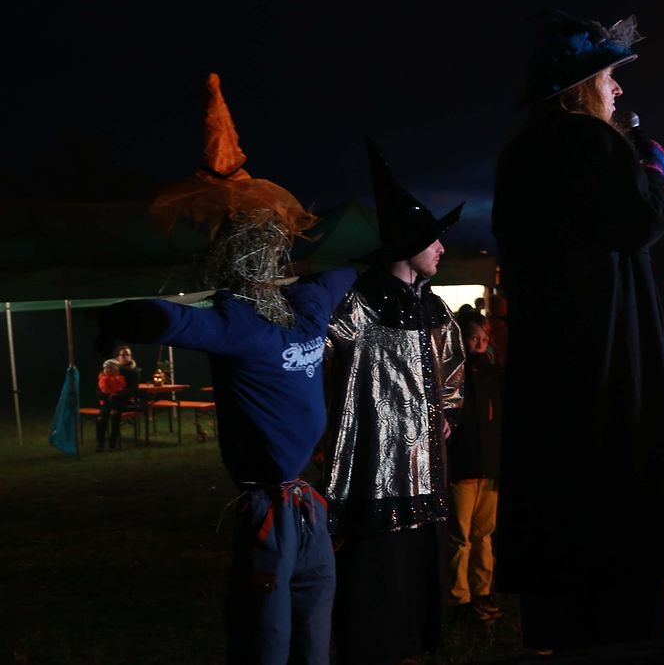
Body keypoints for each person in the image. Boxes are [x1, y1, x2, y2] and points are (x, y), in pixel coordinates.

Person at [98, 74, 354, 664]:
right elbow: (167, 321)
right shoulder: (238, 323)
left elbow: (343, 275)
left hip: (307, 500)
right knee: (267, 629)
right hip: (269, 505)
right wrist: (118, 317)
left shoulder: (302, 308)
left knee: (315, 612)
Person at [491, 12, 664, 651]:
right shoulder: (591, 143)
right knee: (625, 490)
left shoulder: (519, 155)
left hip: (551, 358)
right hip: (609, 352)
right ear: (583, 84)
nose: (619, 90)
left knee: (564, 496)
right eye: (611, 77)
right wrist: (653, 172)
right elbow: (640, 220)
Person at [321, 140, 465, 663]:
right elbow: (330, 370)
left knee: (418, 583)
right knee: (376, 586)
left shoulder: (435, 309)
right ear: (408, 245)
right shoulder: (357, 306)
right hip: (373, 471)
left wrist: (445, 411)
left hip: (427, 472)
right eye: (434, 242)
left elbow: (450, 375)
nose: (442, 249)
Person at [446, 317, 504, 622]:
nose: (479, 342)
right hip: (464, 467)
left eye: (484, 338)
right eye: (473, 337)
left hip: (489, 467)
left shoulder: (495, 375)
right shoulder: (454, 375)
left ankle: (483, 590)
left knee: (485, 534)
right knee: (461, 536)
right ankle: (460, 597)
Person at [95, 358, 127, 451]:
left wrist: (114, 395)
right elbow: (103, 391)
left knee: (114, 415)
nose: (108, 370)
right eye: (106, 368)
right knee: (101, 418)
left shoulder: (120, 378)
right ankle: (100, 444)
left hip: (117, 403)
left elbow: (121, 390)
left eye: (110, 368)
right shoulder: (102, 379)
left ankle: (113, 442)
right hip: (106, 403)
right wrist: (109, 395)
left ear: (116, 369)